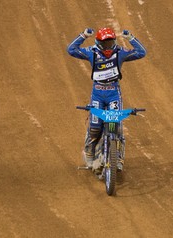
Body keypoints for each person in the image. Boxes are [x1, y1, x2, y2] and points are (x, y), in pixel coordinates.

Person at [67, 27, 147, 173]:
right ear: (98, 43)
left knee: (114, 126)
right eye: (105, 44)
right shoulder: (92, 52)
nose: (108, 47)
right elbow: (71, 49)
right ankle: (89, 152)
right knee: (95, 126)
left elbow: (142, 52)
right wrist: (83, 35)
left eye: (110, 43)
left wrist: (130, 38)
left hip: (113, 94)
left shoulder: (120, 53)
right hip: (97, 94)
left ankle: (118, 159)